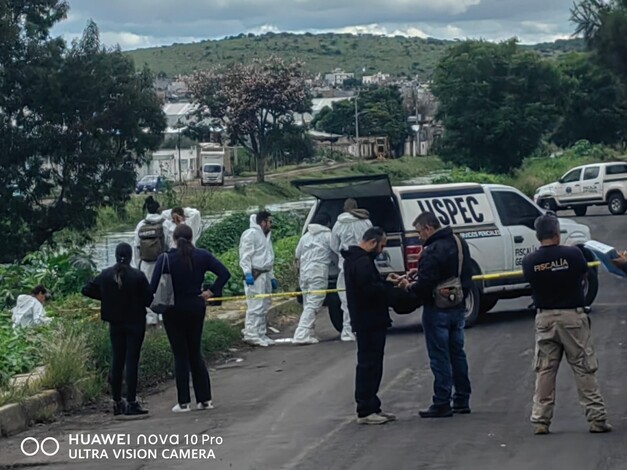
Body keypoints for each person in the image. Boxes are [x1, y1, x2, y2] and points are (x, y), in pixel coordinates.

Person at [522, 214, 612, 435]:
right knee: (584, 367)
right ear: (557, 233)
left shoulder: (530, 261)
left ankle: (541, 420)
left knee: (545, 370)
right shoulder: (573, 254)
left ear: (537, 235)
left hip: (544, 318)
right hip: (572, 317)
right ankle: (596, 419)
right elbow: (584, 275)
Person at [151, 224, 231, 413]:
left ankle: (184, 402)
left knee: (180, 355)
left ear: (174, 239)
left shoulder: (165, 259)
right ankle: (205, 399)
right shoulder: (202, 255)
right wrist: (210, 291)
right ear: (192, 237)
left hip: (173, 309)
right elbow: (224, 273)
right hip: (196, 306)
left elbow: (153, 286)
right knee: (195, 352)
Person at [404, 212, 472, 418]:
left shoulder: (431, 251)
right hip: (458, 305)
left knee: (439, 356)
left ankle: (442, 401)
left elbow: (424, 287)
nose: (419, 237)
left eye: (419, 233)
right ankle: (462, 398)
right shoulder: (459, 242)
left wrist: (408, 285)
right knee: (457, 353)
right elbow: (466, 273)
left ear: (428, 228)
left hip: (436, 309)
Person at [82, 243, 153, 417]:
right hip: (135, 322)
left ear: (115, 255)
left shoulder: (105, 275)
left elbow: (86, 289)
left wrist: (105, 297)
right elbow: (148, 299)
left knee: (117, 359)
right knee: (132, 361)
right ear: (130, 257)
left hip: (115, 323)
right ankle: (131, 402)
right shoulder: (137, 276)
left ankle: (116, 402)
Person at [342, 227, 397, 425]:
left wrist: (384, 280)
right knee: (369, 365)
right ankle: (365, 409)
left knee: (373, 364)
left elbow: (371, 284)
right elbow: (370, 290)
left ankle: (373, 406)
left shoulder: (357, 260)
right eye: (381, 245)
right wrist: (392, 291)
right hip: (369, 321)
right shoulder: (362, 262)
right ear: (372, 242)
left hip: (369, 320)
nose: (382, 250)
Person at [331, 198, 373, 342]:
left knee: (346, 299)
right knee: (366, 297)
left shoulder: (339, 223)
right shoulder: (366, 221)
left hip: (345, 265)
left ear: (344, 208)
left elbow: (334, 245)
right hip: (365, 263)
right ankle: (365, 326)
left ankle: (348, 330)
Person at [293, 213, 335, 345]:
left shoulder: (306, 236)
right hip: (318, 272)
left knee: (307, 303)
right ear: (328, 223)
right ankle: (301, 334)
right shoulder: (328, 236)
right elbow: (336, 253)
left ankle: (309, 332)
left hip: (304, 272)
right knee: (313, 304)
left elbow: (297, 254)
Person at [239, 211, 278, 347]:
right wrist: (247, 272)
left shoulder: (266, 236)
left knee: (264, 305)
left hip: (265, 273)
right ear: (262, 222)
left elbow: (269, 257)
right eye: (269, 221)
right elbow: (245, 255)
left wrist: (272, 276)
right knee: (255, 305)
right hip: (255, 275)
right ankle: (251, 333)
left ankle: (261, 333)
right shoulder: (251, 234)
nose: (270, 224)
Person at [134, 196, 167, 326]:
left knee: (148, 291)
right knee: (163, 290)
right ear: (158, 209)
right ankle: (164, 318)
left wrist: (138, 266)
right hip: (163, 262)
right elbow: (170, 243)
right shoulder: (165, 224)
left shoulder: (141, 225)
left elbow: (136, 247)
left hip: (146, 264)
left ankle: (151, 320)